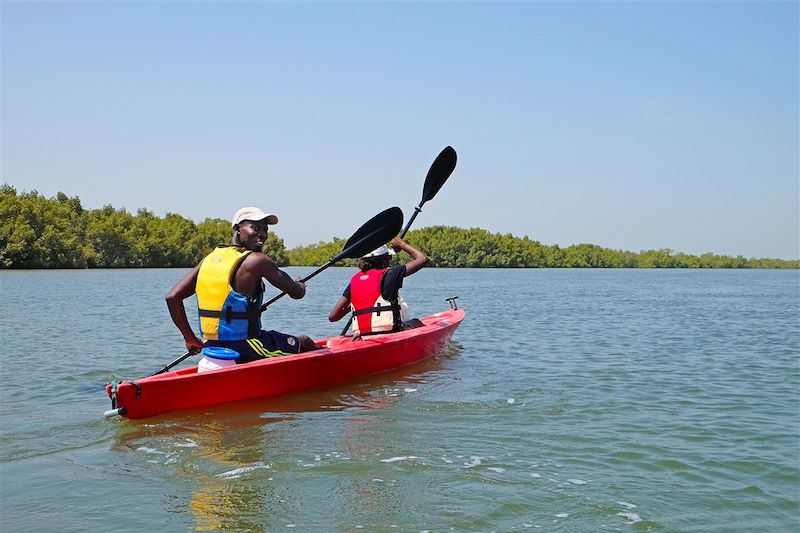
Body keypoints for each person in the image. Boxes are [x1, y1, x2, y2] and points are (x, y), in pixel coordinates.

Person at [166, 207, 319, 364]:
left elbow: (173, 297)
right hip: (247, 345)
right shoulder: (258, 260)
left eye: (265, 230)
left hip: (212, 345)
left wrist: (190, 338)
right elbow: (297, 293)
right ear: (238, 229)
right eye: (256, 228)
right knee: (305, 342)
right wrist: (299, 282)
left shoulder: (209, 259)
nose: (263, 234)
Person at [328, 237, 428, 338]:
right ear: (383, 260)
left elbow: (333, 317)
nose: (389, 261)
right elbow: (423, 259)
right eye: (389, 258)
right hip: (391, 333)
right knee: (416, 322)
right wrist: (402, 244)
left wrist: (357, 303)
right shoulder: (391, 273)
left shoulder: (354, 281)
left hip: (362, 336)